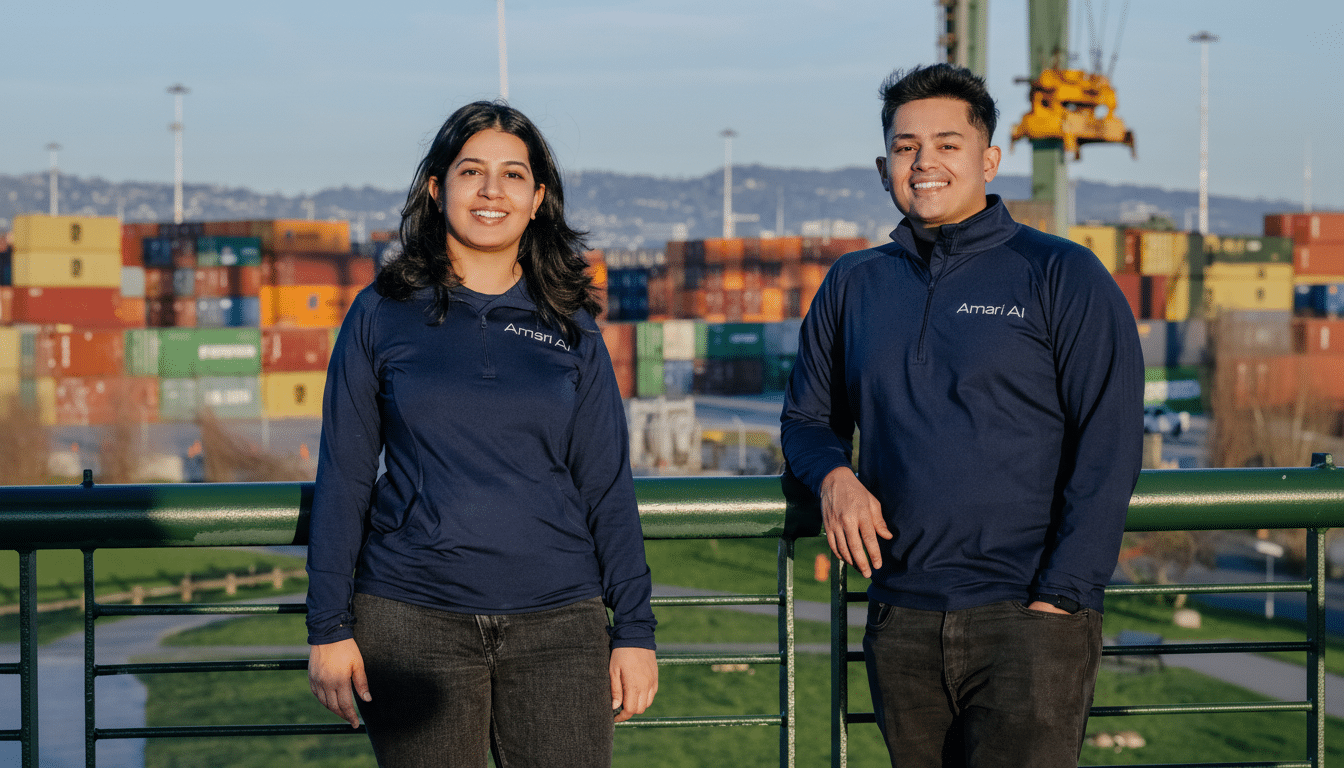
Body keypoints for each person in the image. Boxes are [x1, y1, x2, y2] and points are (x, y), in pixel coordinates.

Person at [780, 64, 1143, 767]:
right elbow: (806, 419)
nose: (926, 163)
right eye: (908, 147)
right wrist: (834, 479)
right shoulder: (854, 282)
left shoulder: (1061, 274)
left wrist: (1063, 600)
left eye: (947, 143)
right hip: (901, 616)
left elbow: (1111, 441)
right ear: (885, 164)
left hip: (1026, 615)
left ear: (988, 158)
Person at [306, 100, 658, 768]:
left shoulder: (572, 323)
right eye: (472, 171)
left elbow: (606, 486)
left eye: (512, 175)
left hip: (560, 624)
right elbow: (346, 475)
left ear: (538, 198)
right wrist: (328, 627)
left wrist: (635, 631)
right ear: (438, 189)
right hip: (411, 620)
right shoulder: (381, 312)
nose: (492, 190)